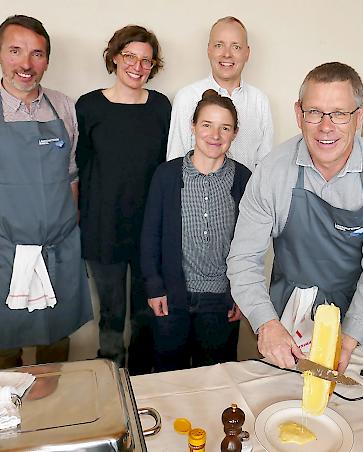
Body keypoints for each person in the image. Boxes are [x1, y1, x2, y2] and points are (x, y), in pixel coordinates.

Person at [227, 62, 363, 372]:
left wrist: (350, 338)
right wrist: (265, 324)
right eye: (315, 112)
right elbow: (243, 259)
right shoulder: (271, 172)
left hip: (353, 312)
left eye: (339, 113)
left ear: (359, 116)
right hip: (284, 311)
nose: (326, 126)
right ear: (299, 114)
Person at [0, 15, 92, 370]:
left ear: (47, 61)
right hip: (1, 254)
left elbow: (71, 176)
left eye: (37, 54)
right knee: (3, 350)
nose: (26, 64)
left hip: (58, 251)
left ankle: (56, 420)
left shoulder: (66, 107)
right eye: (15, 51)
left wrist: (68, 229)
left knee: (57, 343)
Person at [75, 25, 171, 374]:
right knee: (112, 316)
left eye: (146, 60)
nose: (137, 66)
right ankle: (111, 382)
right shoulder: (88, 106)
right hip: (103, 230)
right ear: (115, 57)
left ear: (153, 66)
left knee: (147, 315)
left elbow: (167, 170)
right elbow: (78, 170)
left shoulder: (161, 107)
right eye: (130, 56)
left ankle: (143, 384)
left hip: (149, 233)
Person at [141, 89, 252, 372]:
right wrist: (154, 287)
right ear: (193, 127)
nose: (215, 135)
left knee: (215, 379)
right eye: (207, 125)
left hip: (220, 303)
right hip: (172, 298)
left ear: (235, 133)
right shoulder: (167, 175)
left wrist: (241, 293)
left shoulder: (243, 179)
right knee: (170, 376)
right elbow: (150, 236)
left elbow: (250, 245)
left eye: (224, 127)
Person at [166, 16, 273, 171]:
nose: (227, 54)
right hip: (195, 194)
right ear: (209, 49)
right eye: (219, 45)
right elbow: (175, 163)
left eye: (236, 47)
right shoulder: (186, 97)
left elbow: (265, 165)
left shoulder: (260, 101)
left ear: (247, 53)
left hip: (246, 194)